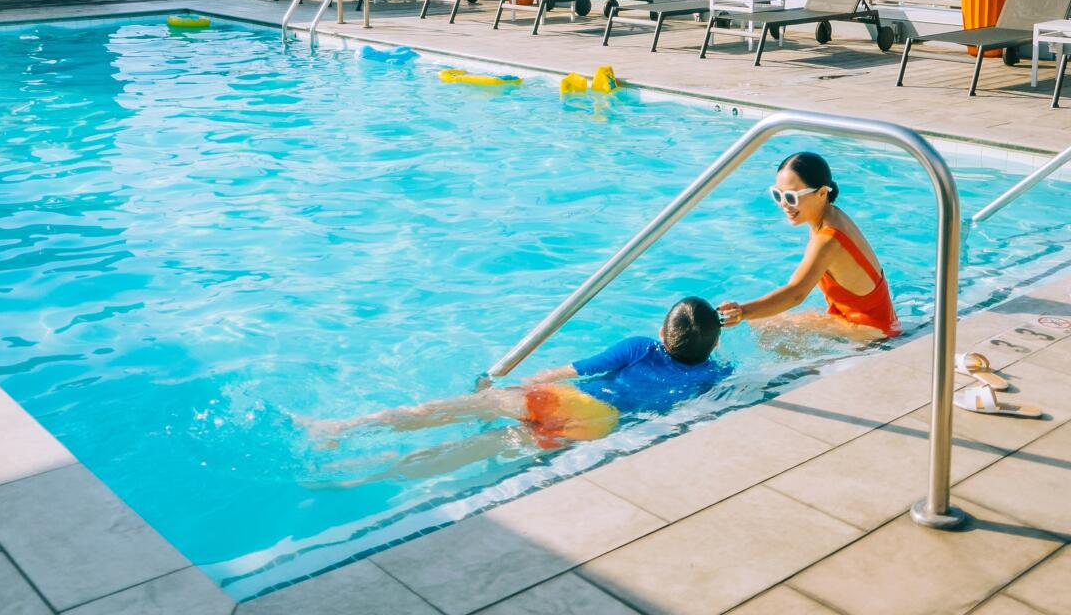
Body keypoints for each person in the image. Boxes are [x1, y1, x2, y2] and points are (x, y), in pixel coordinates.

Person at [312, 297, 727, 481]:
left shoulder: (641, 346)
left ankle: (346, 427)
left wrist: (506, 386)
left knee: (464, 408)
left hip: (579, 399)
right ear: (713, 344)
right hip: (599, 425)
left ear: (662, 331)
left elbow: (571, 371)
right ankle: (363, 478)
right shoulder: (713, 374)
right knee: (482, 447)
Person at [718, 152, 901, 339]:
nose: (783, 204)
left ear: (822, 193)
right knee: (766, 320)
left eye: (791, 197)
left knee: (766, 328)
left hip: (873, 333)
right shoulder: (830, 215)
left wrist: (741, 312)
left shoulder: (828, 239)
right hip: (868, 321)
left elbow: (796, 294)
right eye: (777, 195)